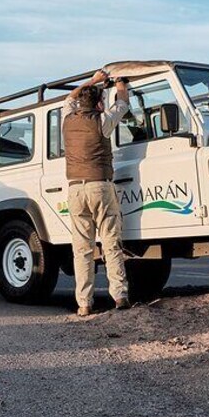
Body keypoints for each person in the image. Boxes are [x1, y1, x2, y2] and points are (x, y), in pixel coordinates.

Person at [62, 69, 131, 317]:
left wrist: (93, 80)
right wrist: (121, 84)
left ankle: (84, 303)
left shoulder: (67, 119)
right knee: (111, 243)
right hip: (99, 185)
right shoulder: (101, 121)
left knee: (82, 250)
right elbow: (122, 103)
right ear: (100, 103)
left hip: (75, 189)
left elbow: (70, 97)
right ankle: (120, 296)